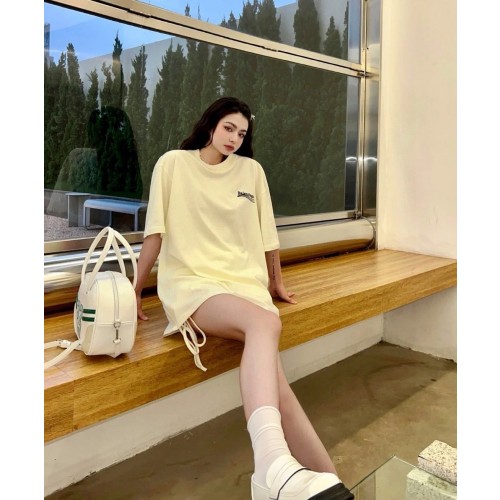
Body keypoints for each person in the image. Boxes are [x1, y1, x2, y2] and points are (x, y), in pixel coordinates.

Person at [134, 97, 354, 500]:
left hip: (245, 286)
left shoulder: (251, 171)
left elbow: (268, 236)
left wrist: (276, 284)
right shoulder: (173, 164)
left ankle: (328, 481)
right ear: (210, 124)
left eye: (242, 133)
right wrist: (135, 290)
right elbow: (155, 234)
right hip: (194, 284)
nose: (235, 138)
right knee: (265, 324)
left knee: (276, 382)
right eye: (229, 128)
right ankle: (272, 462)